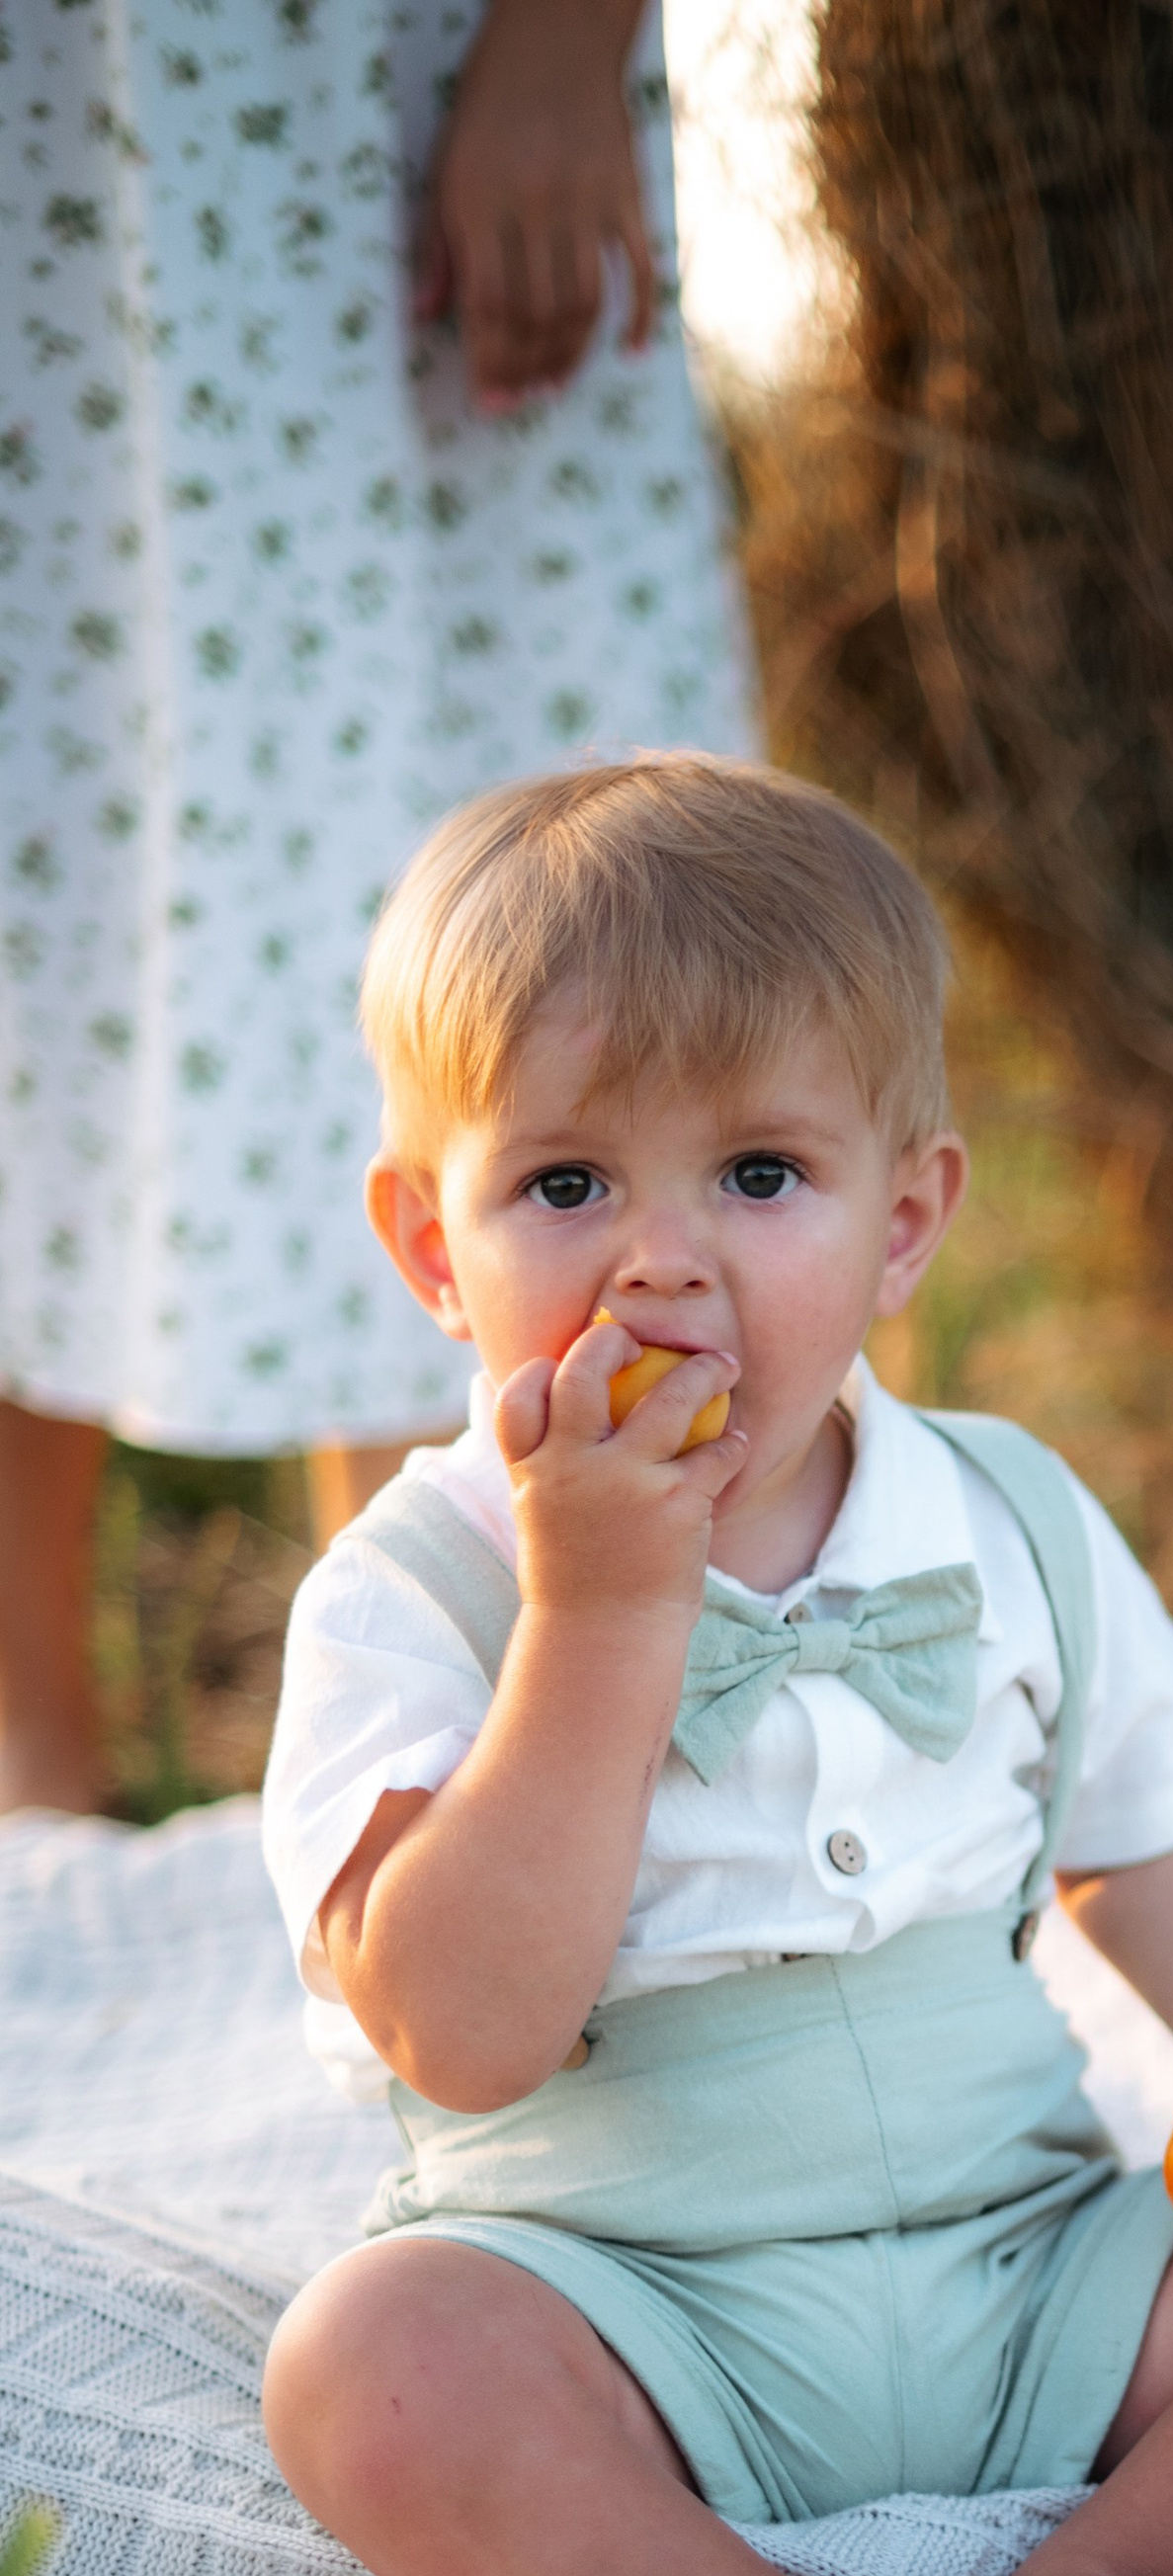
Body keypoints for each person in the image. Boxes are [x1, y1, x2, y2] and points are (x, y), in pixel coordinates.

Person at [258, 759, 1173, 2576]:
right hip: (630, 2307)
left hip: (1026, 2272)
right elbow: (467, 2034)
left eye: (757, 1175)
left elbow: (1160, 1842)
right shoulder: (410, 1591)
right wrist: (594, 1618)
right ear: (432, 1240)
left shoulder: (1003, 1520)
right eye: (567, 1185)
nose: (661, 1265)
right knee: (370, 2376)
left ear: (904, 1217)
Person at [0, 0, 754, 1816]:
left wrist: (566, 43)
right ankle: (30, 1775)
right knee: (47, 882)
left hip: (362, 97)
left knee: (511, 914)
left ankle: (483, 1758)